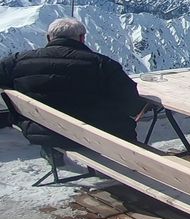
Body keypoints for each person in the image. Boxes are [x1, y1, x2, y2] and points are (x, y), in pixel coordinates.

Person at [0, 17, 143, 150]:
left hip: (42, 133)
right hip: (97, 137)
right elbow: (132, 105)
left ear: (49, 38)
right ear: (82, 38)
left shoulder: (17, 62)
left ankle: (52, 153)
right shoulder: (103, 65)